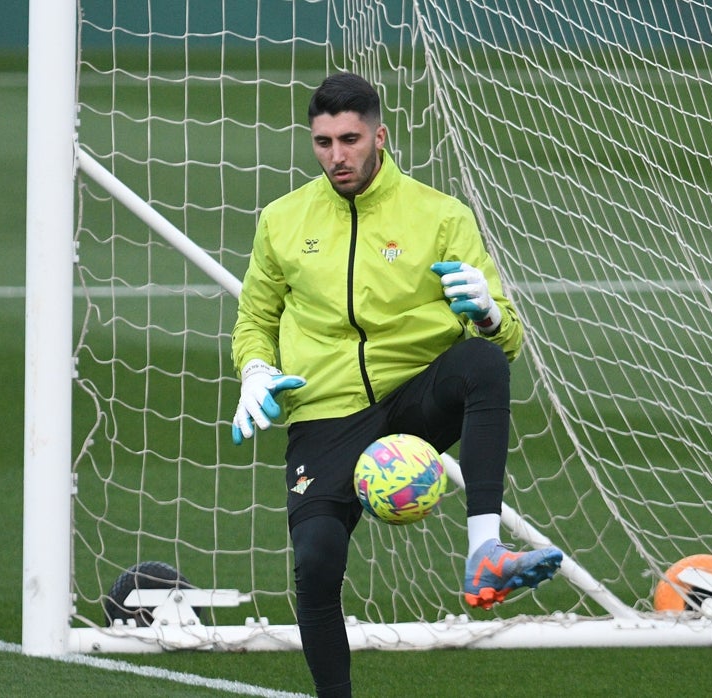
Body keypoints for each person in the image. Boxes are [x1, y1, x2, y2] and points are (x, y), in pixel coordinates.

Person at [229, 72, 563, 698]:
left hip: (414, 400)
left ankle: (485, 552)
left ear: (380, 135)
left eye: (350, 139)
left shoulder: (440, 216)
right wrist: (253, 371)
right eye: (323, 142)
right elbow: (255, 320)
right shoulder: (281, 221)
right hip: (324, 415)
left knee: (483, 364)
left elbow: (508, 339)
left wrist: (489, 313)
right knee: (316, 563)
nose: (337, 156)